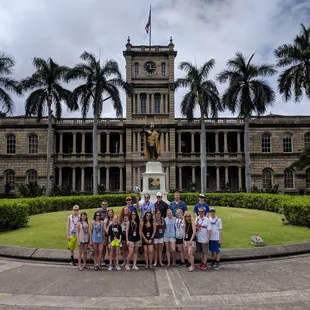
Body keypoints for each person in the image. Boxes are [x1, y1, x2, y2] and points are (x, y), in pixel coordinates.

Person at [93, 200, 108, 267]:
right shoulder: (98, 212)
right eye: (103, 204)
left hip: (107, 231)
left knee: (104, 246)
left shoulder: (108, 212)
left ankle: (103, 259)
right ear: (101, 205)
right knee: (98, 248)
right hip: (99, 231)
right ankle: (99, 261)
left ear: (107, 205)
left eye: (105, 204)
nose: (104, 205)